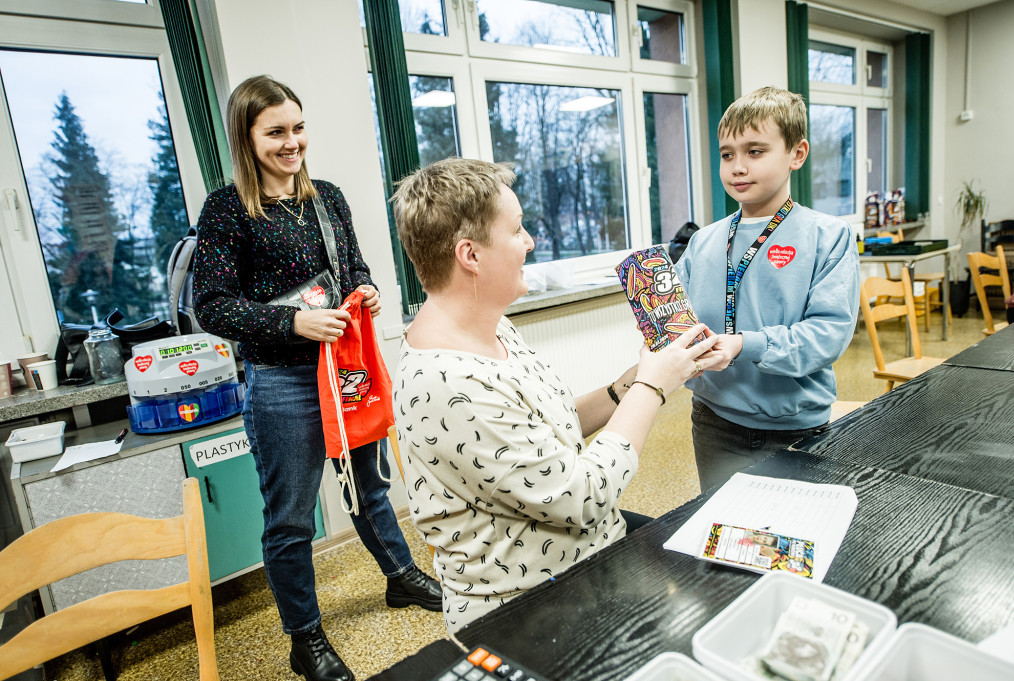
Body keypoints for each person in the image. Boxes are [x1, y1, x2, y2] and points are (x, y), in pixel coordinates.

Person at [389, 158, 721, 634]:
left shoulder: (493, 326)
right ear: (471, 255)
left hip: (586, 562)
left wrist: (626, 384)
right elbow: (580, 496)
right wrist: (652, 387)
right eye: (517, 230)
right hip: (528, 610)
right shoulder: (448, 383)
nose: (529, 241)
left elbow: (550, 426)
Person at [193, 75, 440, 681]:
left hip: (343, 371)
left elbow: (353, 266)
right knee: (291, 519)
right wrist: (294, 322)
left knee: (370, 488)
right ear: (246, 138)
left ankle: (401, 578)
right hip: (281, 381)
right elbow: (213, 305)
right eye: (275, 132)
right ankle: (305, 638)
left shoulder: (326, 197)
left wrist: (368, 291)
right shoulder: (227, 210)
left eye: (297, 128)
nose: (291, 143)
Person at [676, 86, 860, 493]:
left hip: (796, 427)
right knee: (723, 535)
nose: (737, 167)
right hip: (714, 420)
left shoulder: (828, 237)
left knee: (791, 541)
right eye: (727, 154)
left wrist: (746, 344)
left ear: (797, 153)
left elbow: (828, 335)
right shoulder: (703, 241)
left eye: (755, 152)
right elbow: (677, 324)